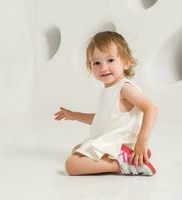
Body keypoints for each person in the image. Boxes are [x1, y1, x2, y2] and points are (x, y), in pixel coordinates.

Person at [54, 31, 158, 176]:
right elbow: (104, 119)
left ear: (126, 62)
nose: (103, 67)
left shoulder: (124, 88)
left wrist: (142, 140)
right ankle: (123, 159)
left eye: (110, 60)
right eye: (97, 63)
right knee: (77, 149)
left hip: (120, 143)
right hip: (109, 142)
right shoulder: (109, 90)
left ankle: (124, 163)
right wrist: (74, 115)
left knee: (71, 165)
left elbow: (151, 109)